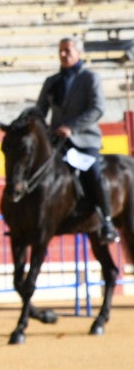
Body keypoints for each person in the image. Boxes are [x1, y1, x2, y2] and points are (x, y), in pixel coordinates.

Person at [37, 34, 120, 245]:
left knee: (94, 174)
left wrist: (71, 127)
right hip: (58, 143)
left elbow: (98, 108)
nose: (63, 55)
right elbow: (40, 111)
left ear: (78, 53)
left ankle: (108, 223)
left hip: (84, 141)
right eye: (61, 51)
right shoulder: (52, 82)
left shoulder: (90, 78)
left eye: (68, 51)